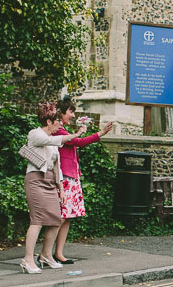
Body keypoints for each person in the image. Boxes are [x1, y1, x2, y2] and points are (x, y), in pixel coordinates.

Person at [21, 102, 86, 274]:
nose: (59, 123)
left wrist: (61, 189)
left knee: (57, 218)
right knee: (37, 220)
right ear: (48, 122)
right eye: (56, 120)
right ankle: (27, 260)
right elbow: (53, 140)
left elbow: (57, 166)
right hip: (35, 181)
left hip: (51, 183)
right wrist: (76, 134)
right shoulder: (35, 134)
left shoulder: (53, 141)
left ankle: (45, 256)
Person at [52, 98, 113, 264]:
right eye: (70, 111)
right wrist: (99, 134)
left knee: (68, 215)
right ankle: (46, 253)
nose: (73, 115)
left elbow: (75, 141)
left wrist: (81, 131)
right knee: (61, 216)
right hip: (64, 177)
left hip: (71, 176)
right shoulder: (59, 131)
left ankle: (58, 253)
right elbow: (78, 142)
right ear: (61, 113)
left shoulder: (64, 130)